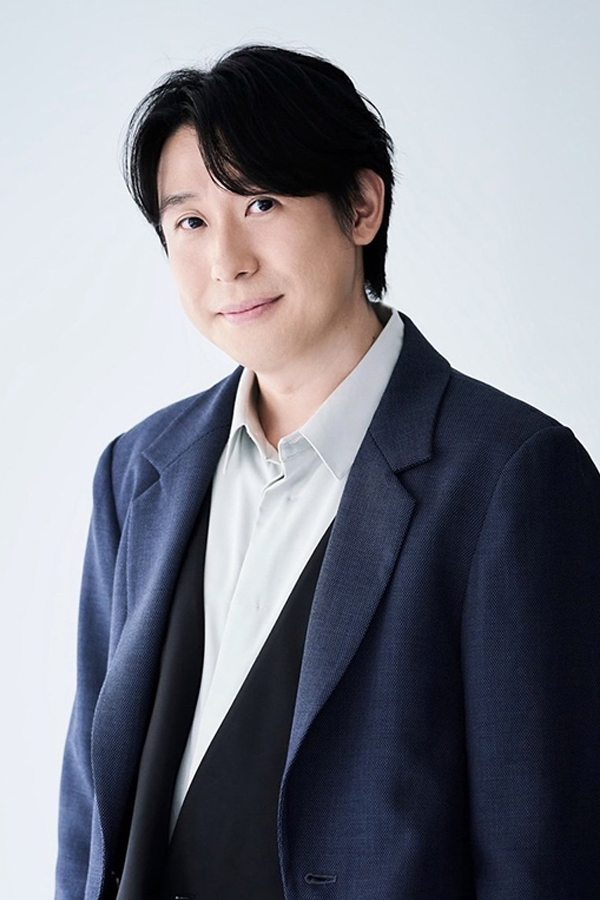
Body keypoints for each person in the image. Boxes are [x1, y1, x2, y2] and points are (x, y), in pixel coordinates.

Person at [54, 44, 600, 900]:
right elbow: (92, 813)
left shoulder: (510, 477)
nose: (226, 260)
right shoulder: (137, 471)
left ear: (362, 206)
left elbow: (542, 851)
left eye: (261, 202)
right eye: (190, 221)